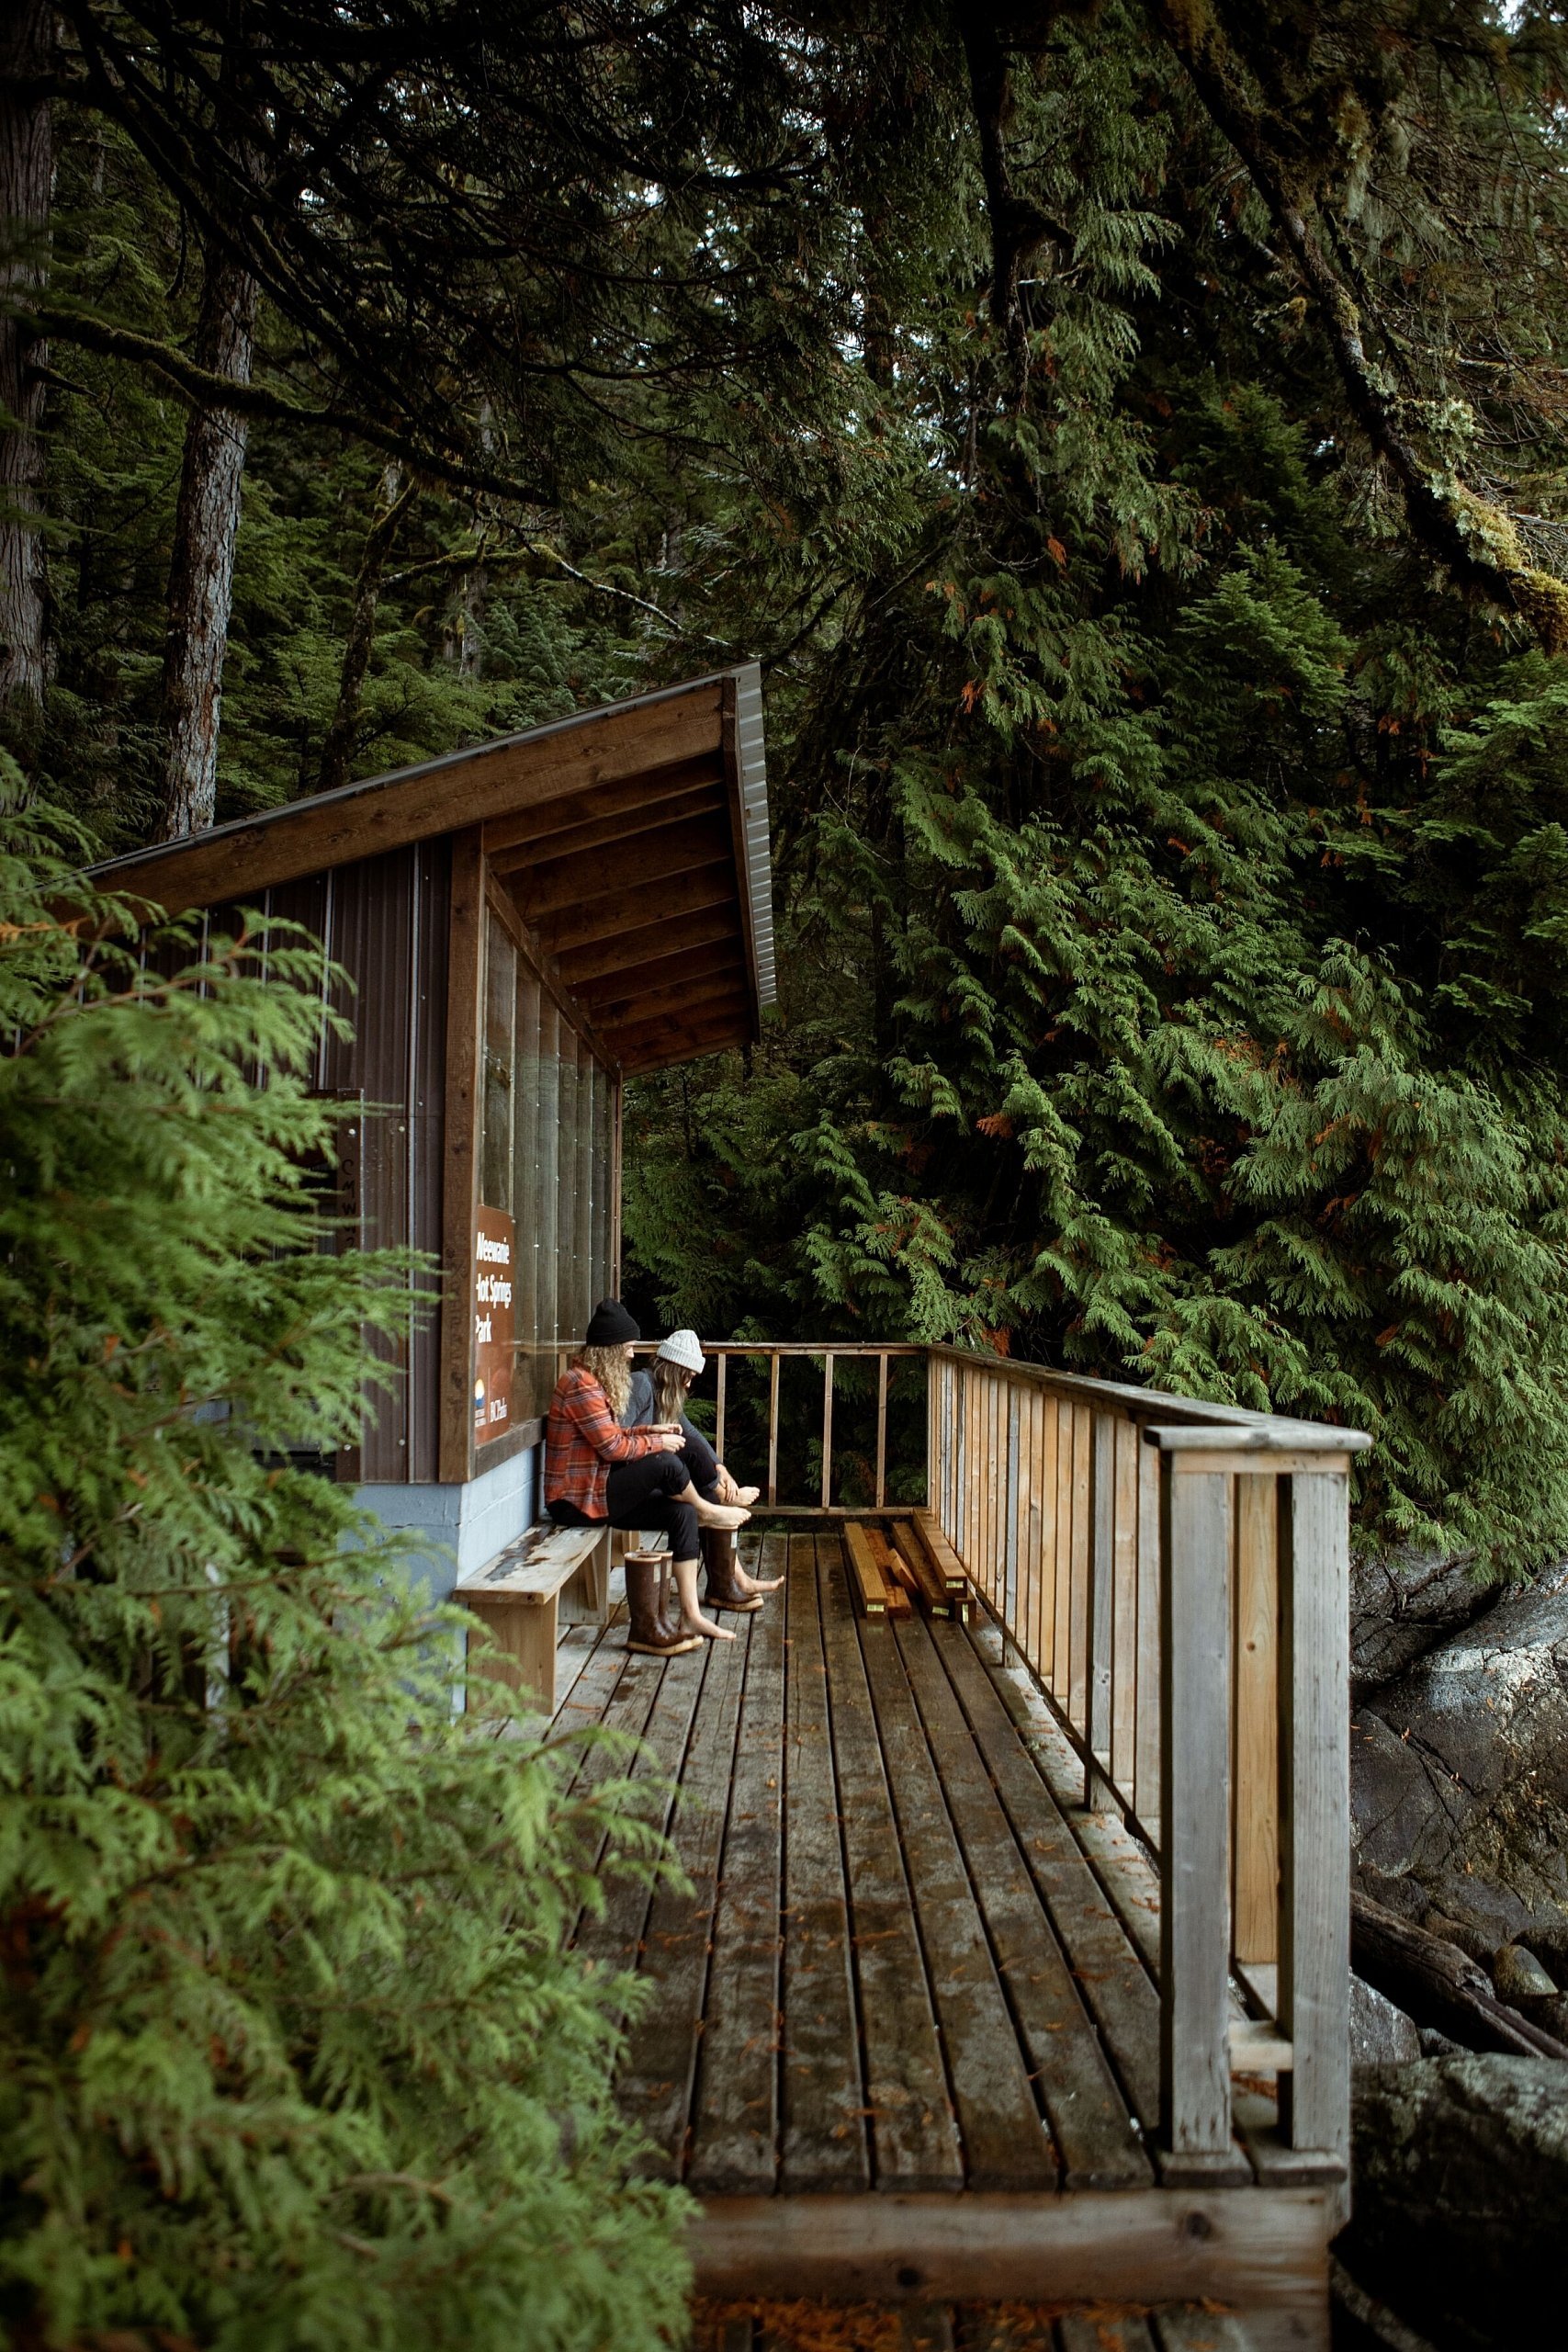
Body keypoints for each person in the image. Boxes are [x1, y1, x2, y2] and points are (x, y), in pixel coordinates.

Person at [544, 1298, 748, 1651]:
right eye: (626, 1347)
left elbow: (617, 1436)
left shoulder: (593, 1383)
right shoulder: (579, 1384)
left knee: (679, 1512)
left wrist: (652, 1432)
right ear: (608, 1349)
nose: (630, 1355)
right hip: (575, 1501)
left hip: (597, 1493)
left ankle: (690, 1613)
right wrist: (656, 1441)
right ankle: (707, 1509)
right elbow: (612, 1450)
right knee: (667, 1464)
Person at [622, 1330, 782, 1611]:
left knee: (698, 1472)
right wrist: (657, 1443)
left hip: (652, 1473)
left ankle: (733, 1581)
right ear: (675, 1371)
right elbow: (619, 1437)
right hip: (633, 1479)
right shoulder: (641, 1384)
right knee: (694, 1467)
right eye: (689, 1376)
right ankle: (730, 1582)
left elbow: (691, 1432)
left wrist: (721, 1468)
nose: (688, 1384)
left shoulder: (662, 1393)